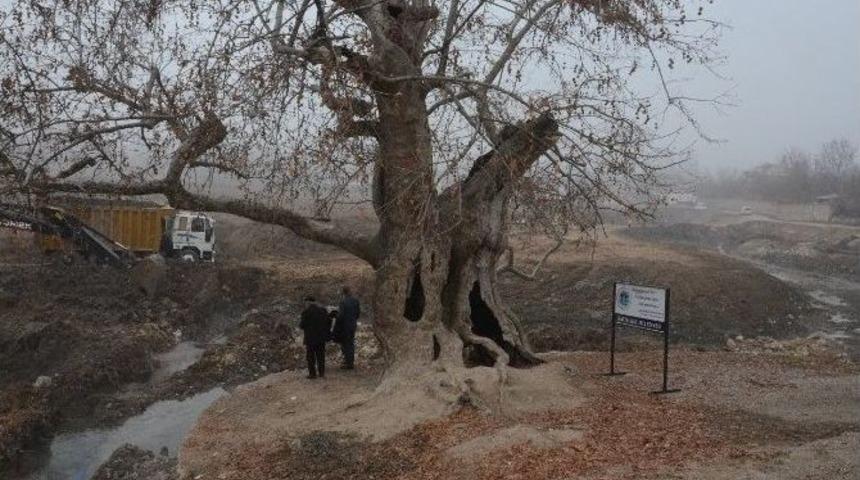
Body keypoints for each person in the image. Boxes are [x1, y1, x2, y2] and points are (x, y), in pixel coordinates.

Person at [298, 295, 332, 379]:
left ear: (308, 302)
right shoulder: (323, 310)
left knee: (310, 357)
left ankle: (312, 374)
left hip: (310, 338)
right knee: (321, 356)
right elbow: (329, 322)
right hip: (321, 338)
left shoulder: (306, 312)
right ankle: (321, 373)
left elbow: (302, 325)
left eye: (305, 302)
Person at [331, 286, 361, 370]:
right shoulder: (356, 301)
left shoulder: (343, 302)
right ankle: (351, 362)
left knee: (345, 344)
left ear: (343, 293)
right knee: (351, 343)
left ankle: (347, 363)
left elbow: (341, 316)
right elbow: (358, 314)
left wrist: (335, 316)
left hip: (344, 326)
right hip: (353, 325)